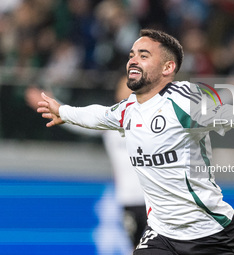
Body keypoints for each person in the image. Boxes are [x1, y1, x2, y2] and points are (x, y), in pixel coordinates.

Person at [37, 29, 234, 255]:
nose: (132, 60)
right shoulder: (128, 110)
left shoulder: (183, 103)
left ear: (167, 68)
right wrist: (63, 111)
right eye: (132, 53)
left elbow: (232, 116)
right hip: (162, 234)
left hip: (211, 236)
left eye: (144, 55)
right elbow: (99, 115)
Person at [25, 78, 147, 248]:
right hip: (128, 199)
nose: (122, 90)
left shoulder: (152, 120)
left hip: (153, 198)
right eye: (121, 86)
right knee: (136, 248)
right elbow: (82, 120)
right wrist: (56, 107)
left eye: (128, 85)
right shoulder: (111, 121)